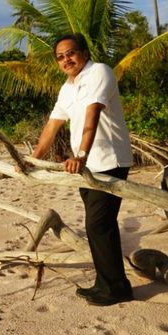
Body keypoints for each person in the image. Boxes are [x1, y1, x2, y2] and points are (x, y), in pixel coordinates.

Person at [29, 33, 134, 306]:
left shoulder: (100, 72)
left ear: (85, 53)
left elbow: (93, 113)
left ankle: (116, 288)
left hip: (108, 160)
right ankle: (107, 283)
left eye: (71, 53)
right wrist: (32, 159)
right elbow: (53, 125)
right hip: (86, 168)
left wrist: (81, 155)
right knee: (99, 225)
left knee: (98, 224)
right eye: (60, 57)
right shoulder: (67, 87)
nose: (66, 59)